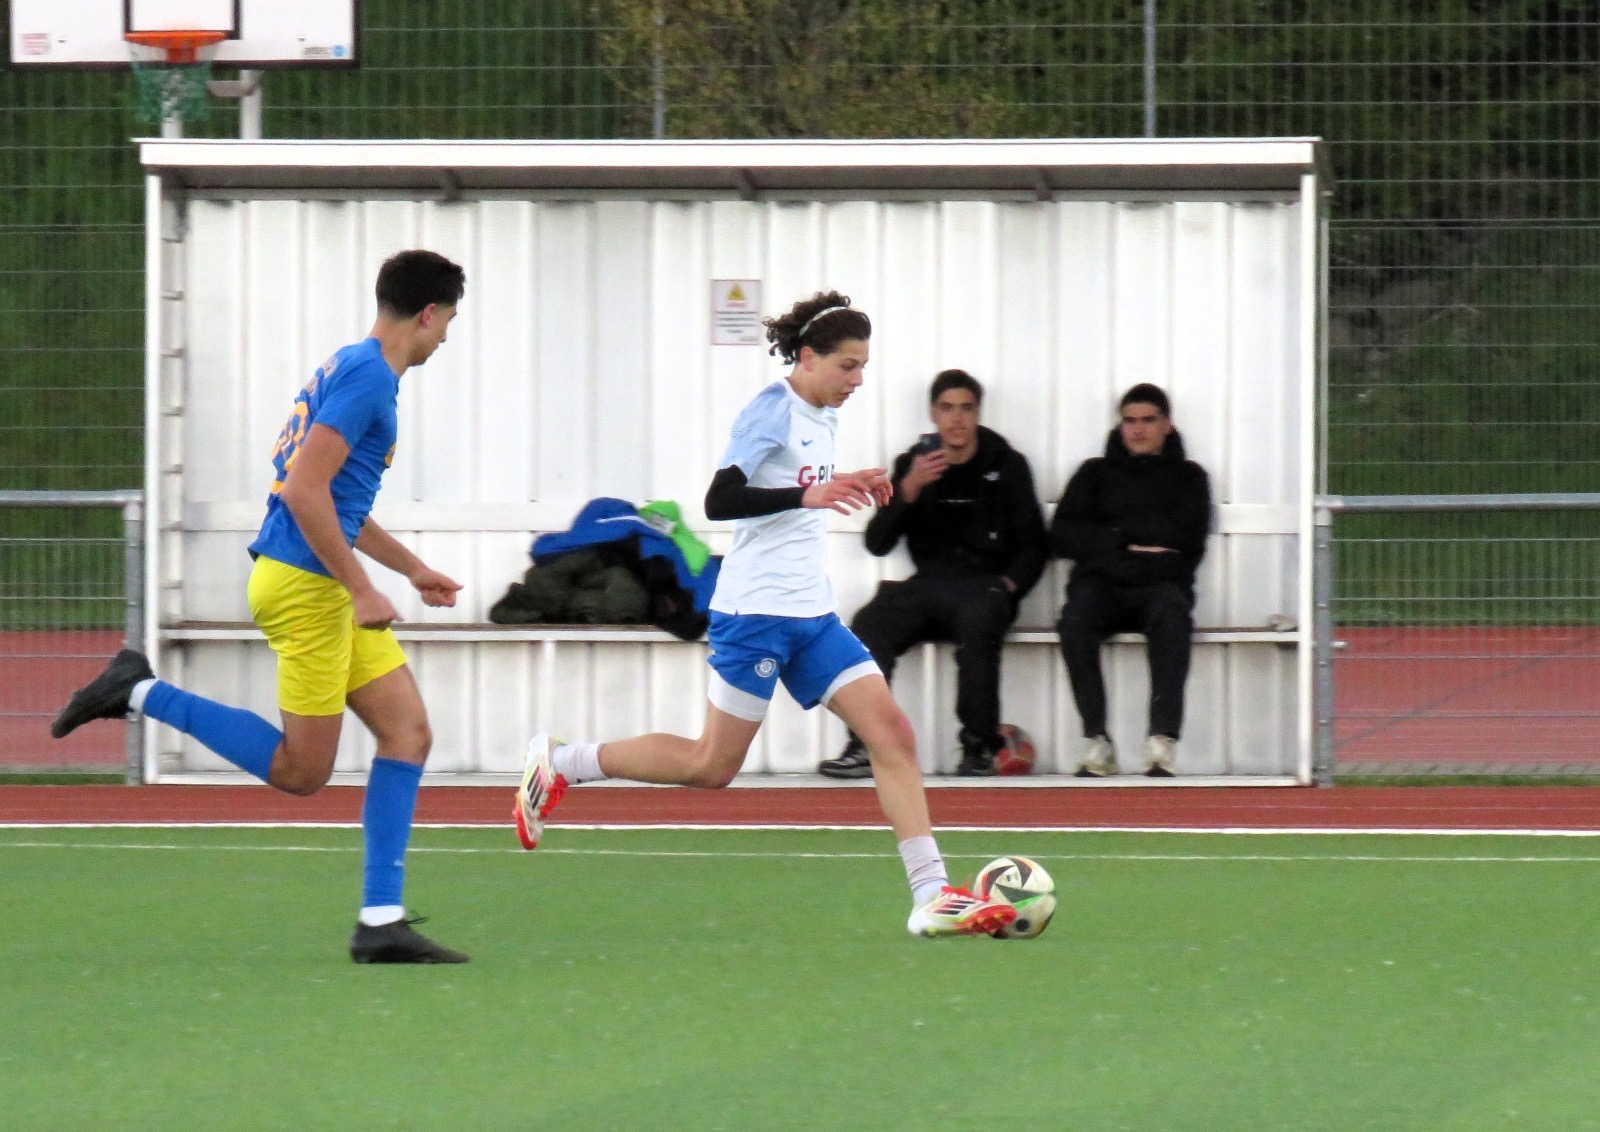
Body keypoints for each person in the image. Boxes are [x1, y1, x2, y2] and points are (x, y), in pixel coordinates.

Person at [512, 291, 1018, 939]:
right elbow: (721, 500)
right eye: (848, 366)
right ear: (808, 358)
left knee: (892, 734)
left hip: (812, 615)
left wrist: (847, 482)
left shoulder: (822, 412)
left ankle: (931, 895)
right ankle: (565, 762)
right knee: (711, 766)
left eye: (863, 367)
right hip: (754, 614)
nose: (858, 380)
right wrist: (811, 493)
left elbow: (798, 487)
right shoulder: (770, 410)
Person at [52, 250, 470, 964]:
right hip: (306, 588)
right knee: (302, 773)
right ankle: (138, 689)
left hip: (318, 581)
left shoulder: (352, 365)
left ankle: (381, 921)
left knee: (408, 733)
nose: (447, 338)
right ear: (428, 313)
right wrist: (362, 588)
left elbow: (337, 501)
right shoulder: (370, 378)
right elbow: (304, 493)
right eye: (450, 321)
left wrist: (411, 568)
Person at [817, 368, 1047, 779]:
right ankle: (866, 744)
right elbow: (877, 542)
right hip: (928, 585)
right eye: (947, 408)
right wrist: (909, 489)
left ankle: (978, 747)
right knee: (869, 624)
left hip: (984, 586)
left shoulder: (1007, 465)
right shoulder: (914, 464)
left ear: (978, 413)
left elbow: (1034, 544)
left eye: (966, 408)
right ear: (933, 414)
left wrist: (1008, 587)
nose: (957, 419)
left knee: (979, 627)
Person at [1050, 383, 1211, 777]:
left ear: (1167, 425)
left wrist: (1106, 544)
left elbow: (1187, 542)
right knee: (1073, 621)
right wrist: (1127, 542)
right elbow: (1061, 536)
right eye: (1129, 420)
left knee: (1173, 616)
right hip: (1099, 587)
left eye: (1148, 420)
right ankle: (1096, 740)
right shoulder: (1094, 473)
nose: (1137, 429)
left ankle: (1161, 740)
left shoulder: (1189, 477)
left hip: (1161, 587)